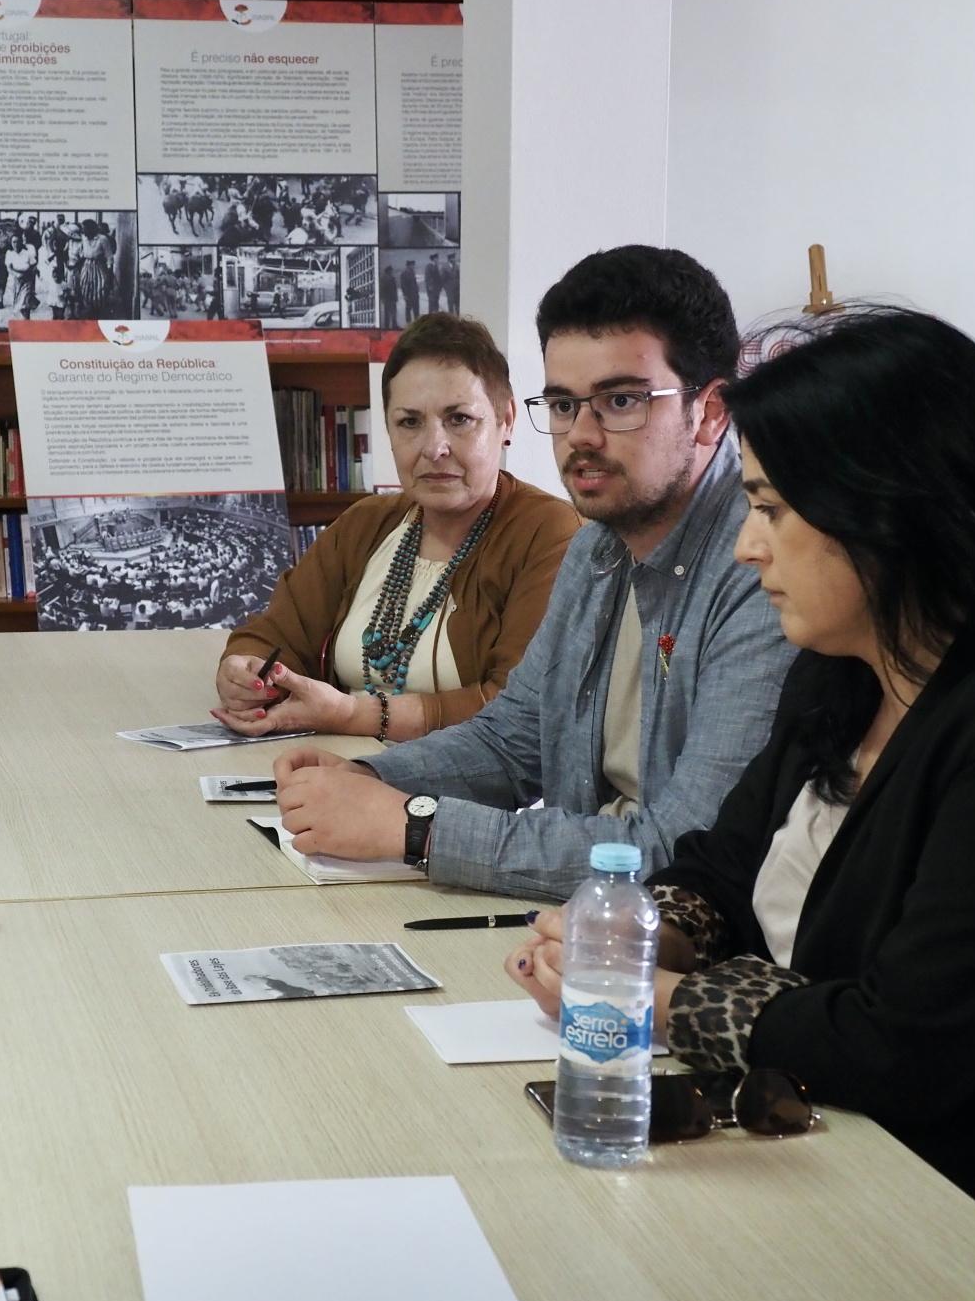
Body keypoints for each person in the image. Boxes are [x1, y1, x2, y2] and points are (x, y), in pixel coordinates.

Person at [506, 309, 975, 1301]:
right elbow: (720, 864)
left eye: (771, 509)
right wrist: (634, 936)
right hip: (851, 1155)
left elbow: (915, 1041)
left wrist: (649, 1003)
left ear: (890, 511)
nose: (746, 548)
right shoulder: (845, 673)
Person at [271, 246, 794, 899]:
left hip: (677, 936)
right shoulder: (596, 548)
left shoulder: (766, 569)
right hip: (577, 920)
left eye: (621, 400)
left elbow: (685, 850)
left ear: (711, 411)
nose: (582, 435)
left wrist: (416, 828)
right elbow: (513, 740)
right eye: (565, 405)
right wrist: (372, 780)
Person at [216, 314, 577, 741]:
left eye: (459, 419)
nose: (434, 448)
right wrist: (244, 672)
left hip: (465, 780)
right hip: (339, 762)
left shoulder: (551, 534)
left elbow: (520, 709)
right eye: (410, 422)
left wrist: (353, 714)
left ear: (506, 420)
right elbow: (274, 635)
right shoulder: (366, 523)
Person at [379, 256, 400, 329]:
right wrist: (383, 298)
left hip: (392, 298)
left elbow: (394, 289)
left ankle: (394, 325)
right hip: (388, 299)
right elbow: (382, 289)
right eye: (391, 271)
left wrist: (396, 298)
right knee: (388, 313)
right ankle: (387, 326)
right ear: (388, 271)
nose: (392, 272)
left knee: (394, 312)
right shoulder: (384, 278)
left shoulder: (391, 277)